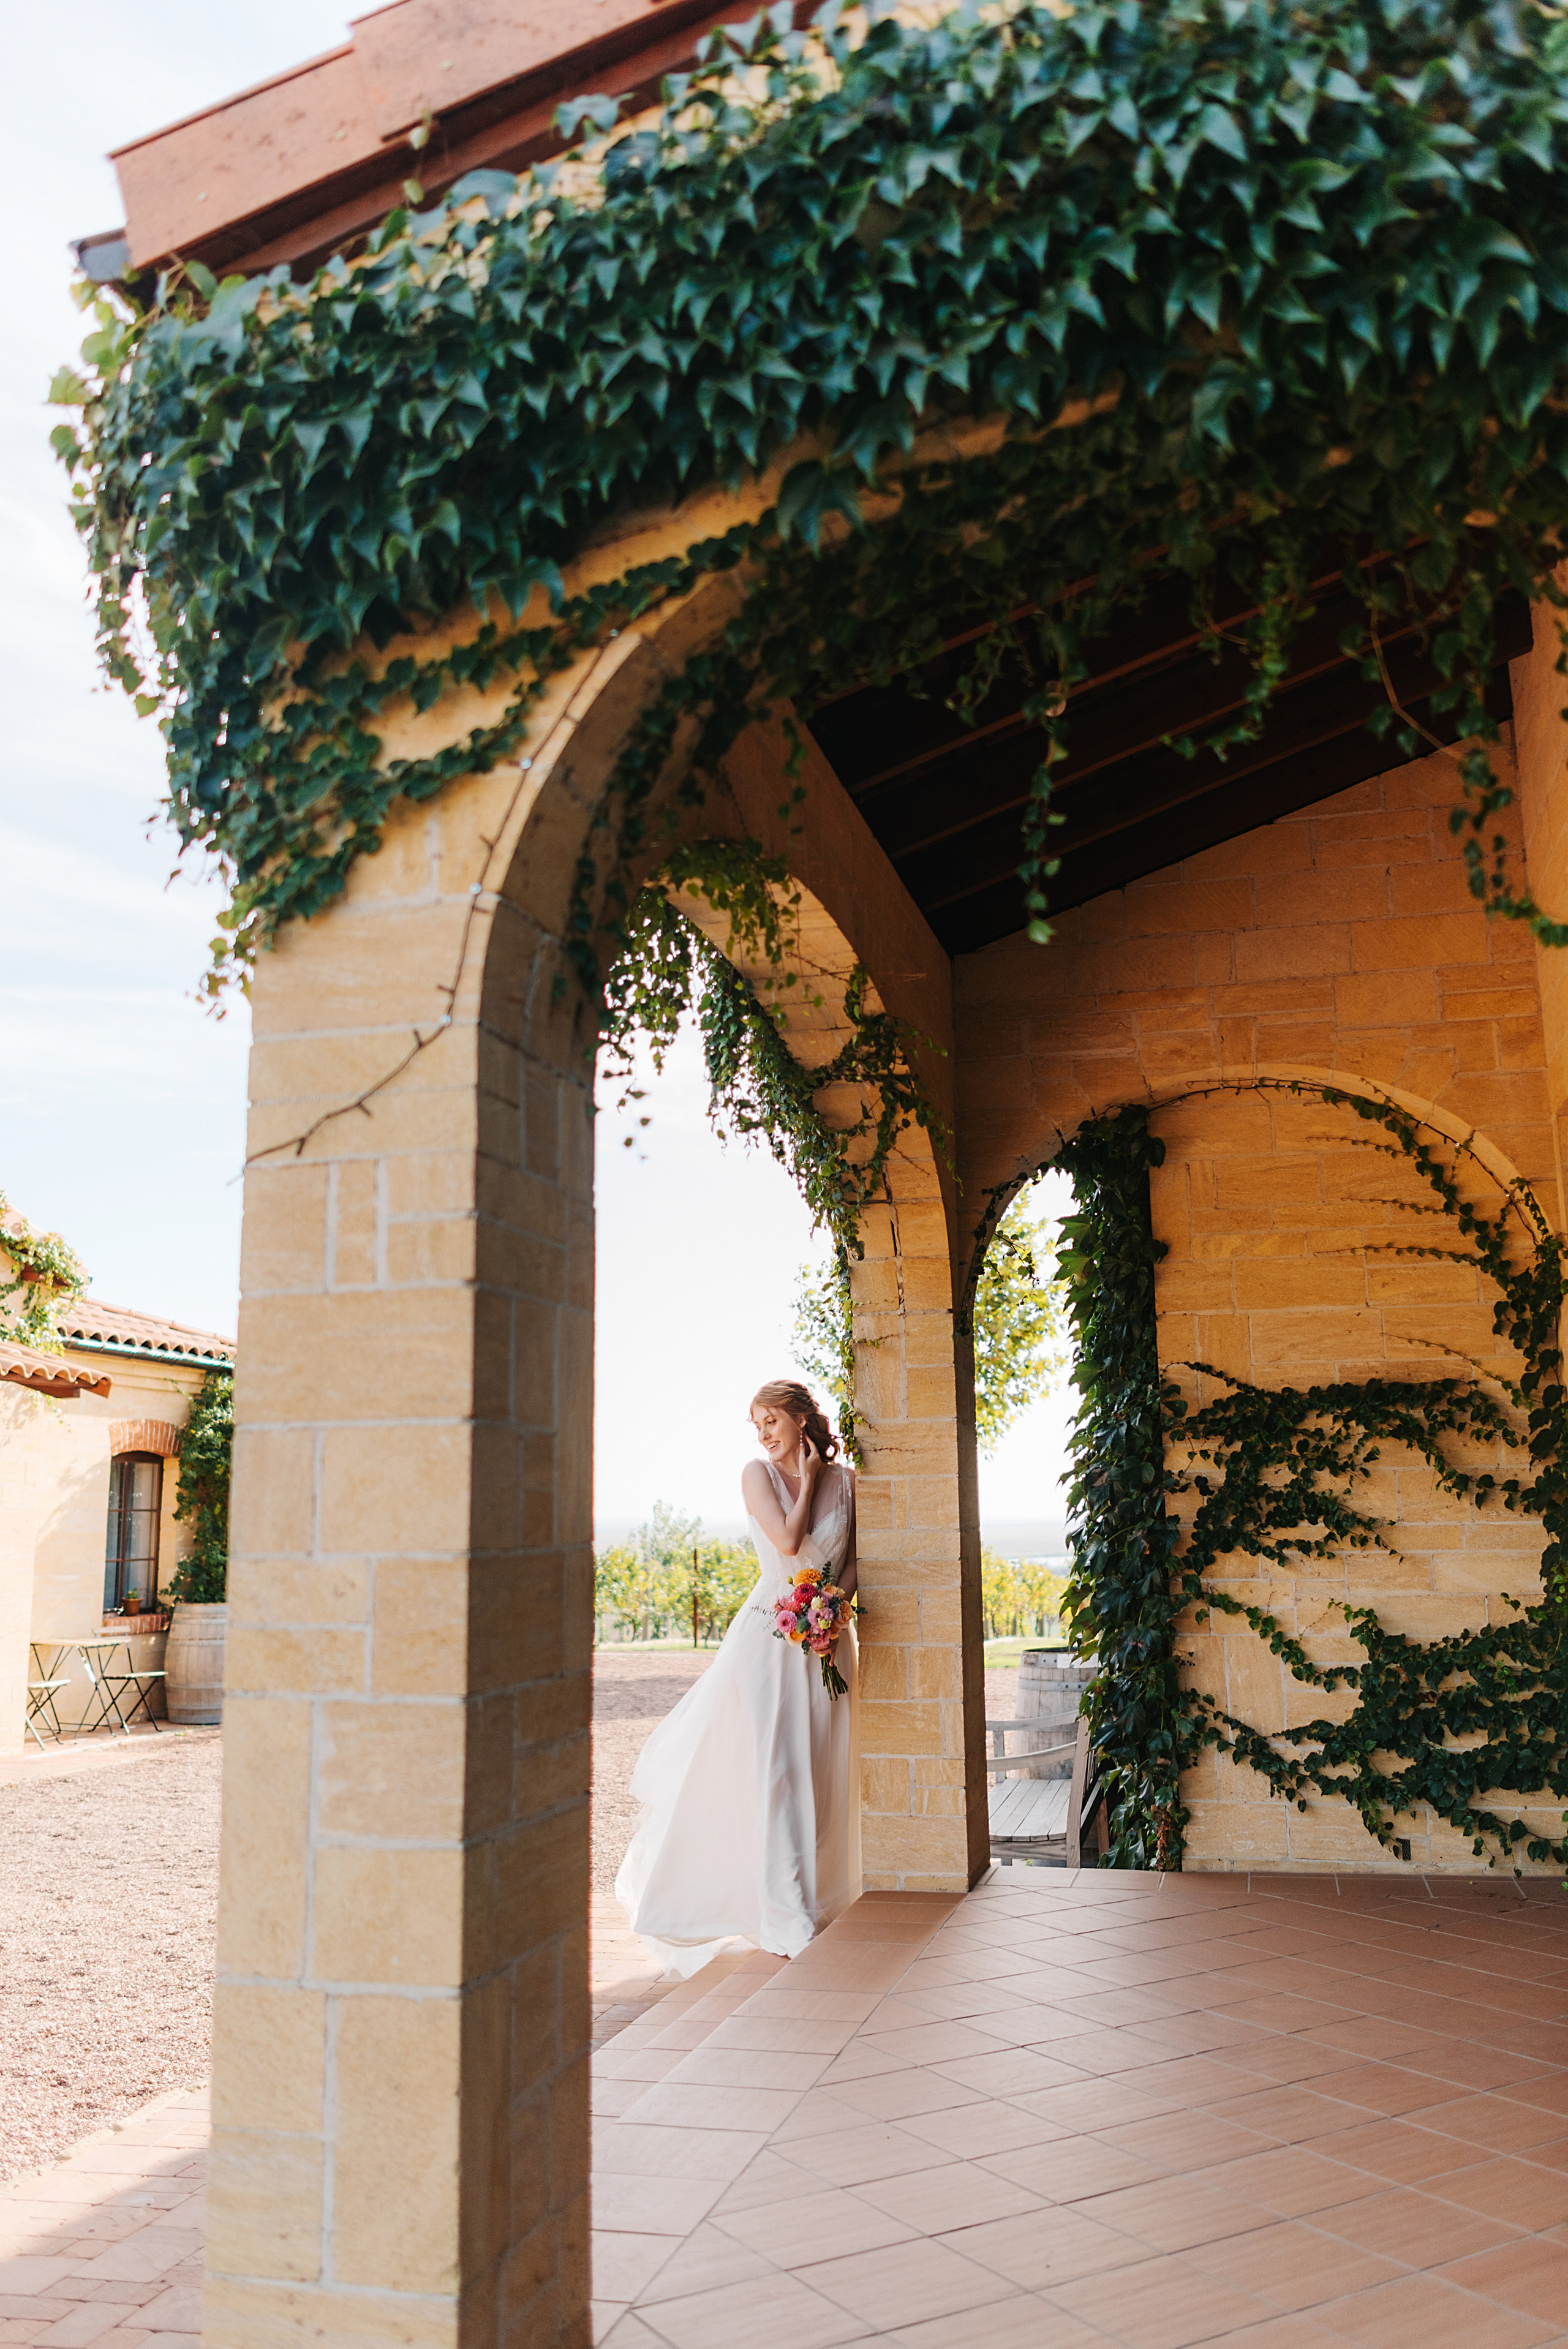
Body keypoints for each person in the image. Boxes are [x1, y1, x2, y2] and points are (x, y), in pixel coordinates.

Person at [614, 1379, 860, 1975]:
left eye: (772, 1420)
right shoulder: (756, 1474)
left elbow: (855, 1560)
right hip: (767, 1639)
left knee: (823, 1770)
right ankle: (785, 1914)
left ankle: (816, 1893)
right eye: (757, 1424)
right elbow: (788, 1540)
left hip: (825, 1641)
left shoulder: (848, 1481)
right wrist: (803, 1477)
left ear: (802, 1418)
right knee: (776, 1769)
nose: (763, 1434)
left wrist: (832, 1609)